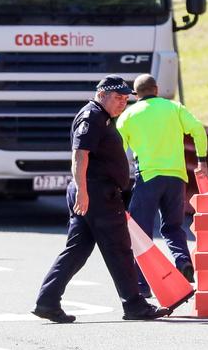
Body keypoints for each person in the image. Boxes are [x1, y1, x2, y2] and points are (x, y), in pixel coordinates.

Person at [32, 75, 171, 323]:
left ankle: (47, 301)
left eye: (125, 99)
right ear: (101, 94)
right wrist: (83, 192)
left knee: (77, 250)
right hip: (97, 195)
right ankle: (135, 305)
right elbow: (80, 156)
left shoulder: (102, 117)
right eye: (117, 98)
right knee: (119, 249)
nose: (122, 103)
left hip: (93, 193)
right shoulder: (92, 117)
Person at [116, 74, 207, 294]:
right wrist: (202, 160)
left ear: (135, 95)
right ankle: (183, 261)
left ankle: (142, 284)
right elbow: (198, 130)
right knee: (173, 226)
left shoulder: (127, 116)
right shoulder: (174, 108)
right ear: (156, 89)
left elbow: (117, 152)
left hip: (148, 177)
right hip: (176, 177)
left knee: (140, 232)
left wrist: (118, 181)